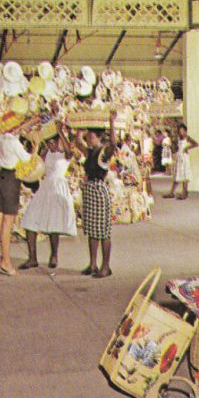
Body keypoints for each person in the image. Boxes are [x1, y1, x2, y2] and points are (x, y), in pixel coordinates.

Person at [19, 121, 77, 270]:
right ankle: (32, 258)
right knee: (29, 220)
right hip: (45, 187)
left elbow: (70, 151)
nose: (51, 145)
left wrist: (60, 132)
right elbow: (35, 161)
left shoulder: (64, 154)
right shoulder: (46, 153)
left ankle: (54, 255)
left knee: (54, 223)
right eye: (49, 142)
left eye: (53, 142)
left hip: (57, 188)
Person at [0, 116, 35, 276]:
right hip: (10, 180)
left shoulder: (0, 138)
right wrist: (35, 148)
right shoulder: (14, 142)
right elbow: (28, 160)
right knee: (8, 223)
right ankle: (6, 261)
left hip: (0, 178)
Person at [73, 111, 117, 278]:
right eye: (88, 137)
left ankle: (105, 267)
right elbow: (78, 141)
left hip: (99, 190)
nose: (89, 140)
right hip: (90, 190)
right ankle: (92, 264)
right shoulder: (89, 152)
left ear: (98, 138)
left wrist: (111, 123)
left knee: (103, 231)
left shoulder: (103, 153)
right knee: (92, 230)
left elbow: (113, 143)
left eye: (91, 137)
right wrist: (80, 125)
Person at [164, 123, 198, 200]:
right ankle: (171, 192)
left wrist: (187, 148)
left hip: (184, 158)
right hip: (178, 157)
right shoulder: (178, 138)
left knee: (185, 175)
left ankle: (184, 193)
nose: (181, 132)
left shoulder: (187, 137)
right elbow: (175, 148)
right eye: (180, 130)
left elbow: (196, 144)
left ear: (185, 131)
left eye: (183, 130)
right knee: (177, 174)